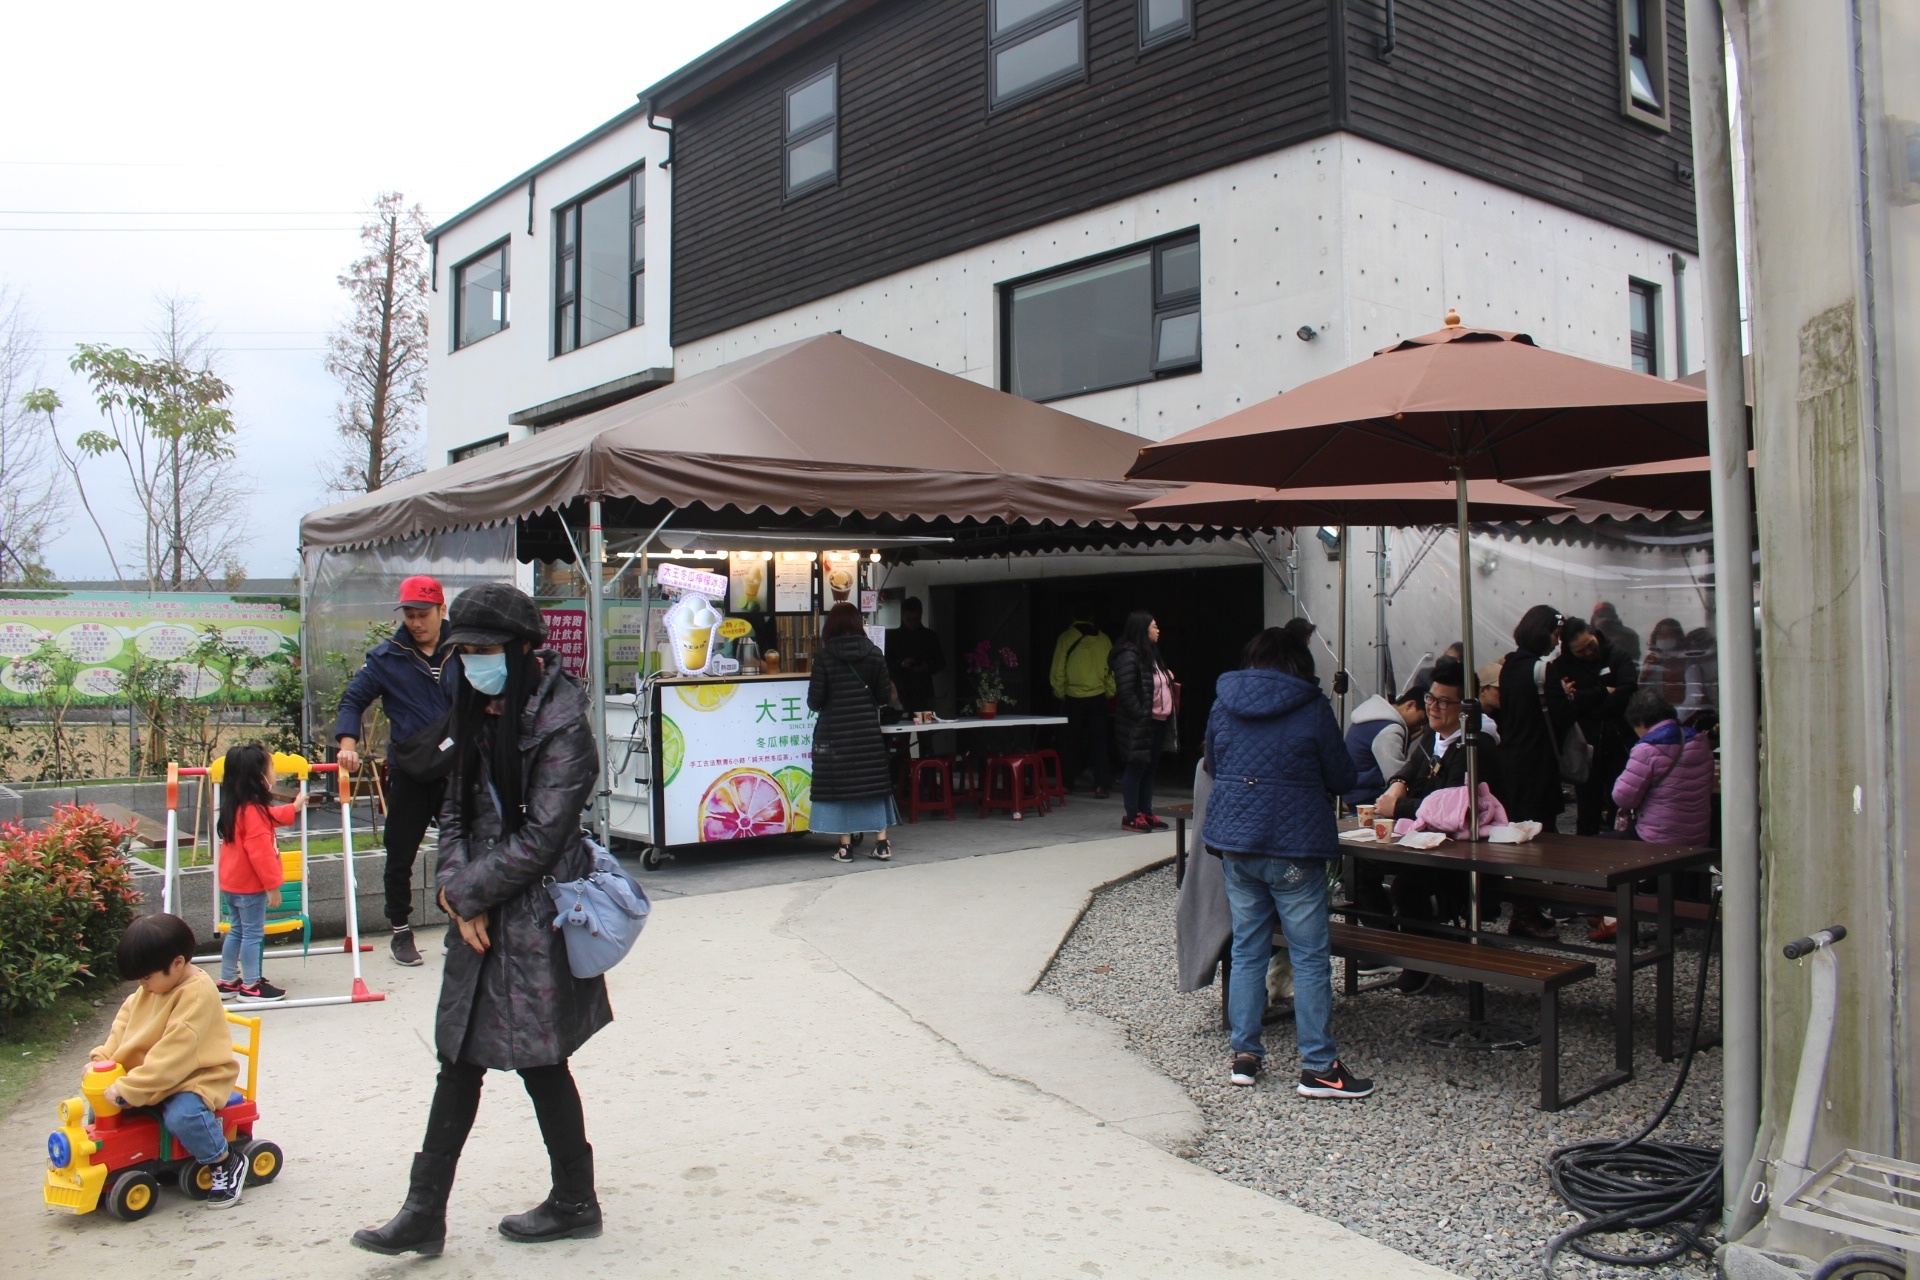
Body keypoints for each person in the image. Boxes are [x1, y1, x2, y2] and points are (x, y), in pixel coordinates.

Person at [353, 585, 609, 1256]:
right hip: (480, 913)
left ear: (526, 650)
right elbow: (455, 810)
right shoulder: (475, 706)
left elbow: (546, 835)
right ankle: (423, 1212)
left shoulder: (562, 724)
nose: (473, 664)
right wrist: (455, 887)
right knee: (458, 1058)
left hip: (533, 912)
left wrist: (472, 897)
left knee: (540, 1060)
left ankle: (575, 1200)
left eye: (486, 652)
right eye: (464, 653)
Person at [1202, 624, 1372, 1099]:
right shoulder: (1312, 706)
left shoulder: (1224, 701)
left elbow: (1214, 766)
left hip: (1237, 845)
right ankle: (1319, 1067)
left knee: (1247, 950)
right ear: (1300, 664)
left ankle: (1245, 1055)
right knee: (1310, 956)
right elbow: (1341, 776)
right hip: (1294, 847)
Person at [334, 575, 458, 968]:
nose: (416, 622)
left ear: (442, 610)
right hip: (410, 769)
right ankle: (401, 930)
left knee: (463, 849)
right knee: (399, 853)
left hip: (458, 768)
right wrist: (348, 746)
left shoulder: (467, 648)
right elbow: (353, 701)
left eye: (423, 614)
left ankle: (460, 919)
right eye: (409, 614)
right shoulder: (387, 657)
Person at [92, 913, 250, 1208]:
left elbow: (174, 1055)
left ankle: (224, 1161)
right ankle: (120, 1165)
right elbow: (124, 1028)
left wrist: (129, 1086)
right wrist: (104, 1059)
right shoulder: (151, 988)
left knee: (183, 1116)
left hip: (195, 1076)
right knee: (101, 1108)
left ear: (177, 963)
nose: (142, 984)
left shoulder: (196, 995)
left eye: (146, 977)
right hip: (157, 1076)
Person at [1373, 656, 1503, 937]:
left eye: (1443, 702)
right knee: (1361, 866)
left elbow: (1450, 811)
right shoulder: (1434, 735)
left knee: (1406, 886)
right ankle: (1382, 943)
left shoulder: (1475, 747)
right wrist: (1397, 782)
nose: (1432, 707)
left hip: (1462, 853)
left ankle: (1422, 956)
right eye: (1430, 698)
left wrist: (1397, 806)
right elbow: (1412, 766)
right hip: (1424, 841)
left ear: (1467, 708)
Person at [215, 742, 307, 1003]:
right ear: (259, 777)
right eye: (271, 767)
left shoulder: (237, 807)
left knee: (237, 931)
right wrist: (273, 885)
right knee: (253, 934)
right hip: (250, 888)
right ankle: (251, 985)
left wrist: (293, 808)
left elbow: (268, 815)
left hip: (232, 885)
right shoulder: (253, 812)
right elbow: (261, 853)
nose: (274, 772)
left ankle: (228, 980)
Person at [809, 602, 899, 863]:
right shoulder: (874, 653)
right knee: (872, 785)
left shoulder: (824, 658)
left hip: (833, 735)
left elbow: (814, 702)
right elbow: (883, 697)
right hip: (866, 732)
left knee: (840, 789)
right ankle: (882, 845)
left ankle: (845, 848)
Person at [1550, 617, 1638, 836]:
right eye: (1581, 652)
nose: (1589, 653)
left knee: (1619, 800)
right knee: (1587, 804)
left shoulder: (1617, 656)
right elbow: (1568, 701)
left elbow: (1627, 691)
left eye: (1590, 646)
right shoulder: (1562, 666)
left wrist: (1589, 705)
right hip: (1585, 744)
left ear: (1593, 633)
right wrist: (1603, 692)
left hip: (1619, 740)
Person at [1111, 609, 1175, 833]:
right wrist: (1141, 714)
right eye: (1154, 626)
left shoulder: (1152, 653)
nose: (1158, 630)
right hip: (1139, 722)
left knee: (1150, 767)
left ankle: (1146, 810)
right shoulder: (1129, 655)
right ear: (1143, 629)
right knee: (1136, 766)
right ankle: (1132, 814)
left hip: (1157, 720)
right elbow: (1126, 691)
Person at [1049, 606, 1115, 797]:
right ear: (1092, 616)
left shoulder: (1066, 638)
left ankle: (1067, 783)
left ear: (1072, 616)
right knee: (1100, 743)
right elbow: (1110, 670)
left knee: (1069, 742)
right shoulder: (1104, 639)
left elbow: (1058, 669)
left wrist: (1060, 692)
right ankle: (1101, 784)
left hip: (1073, 697)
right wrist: (1110, 692)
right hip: (1098, 697)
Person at [1341, 684, 1426, 809]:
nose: (1420, 726)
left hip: (1350, 791)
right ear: (1410, 705)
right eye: (1422, 720)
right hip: (1363, 799)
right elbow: (1396, 777)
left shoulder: (1372, 715)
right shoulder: (1390, 729)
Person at [884, 596, 944, 715]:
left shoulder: (930, 636)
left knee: (926, 729)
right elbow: (885, 663)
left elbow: (941, 661)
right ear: (902, 616)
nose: (912, 624)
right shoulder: (892, 637)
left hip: (924, 692)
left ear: (921, 615)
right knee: (901, 729)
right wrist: (901, 664)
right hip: (900, 692)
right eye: (908, 620)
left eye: (916, 619)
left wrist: (927, 666)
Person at [1641, 618, 1690, 707]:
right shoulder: (1650, 660)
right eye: (1661, 635)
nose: (1664, 639)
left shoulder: (1686, 662)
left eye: (1669, 635)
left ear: (1678, 637)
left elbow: (1692, 695)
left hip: (1676, 712)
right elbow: (1642, 687)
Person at [1592, 601, 1642, 670]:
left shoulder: (1628, 635)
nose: (1605, 619)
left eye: (1608, 615)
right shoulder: (1589, 636)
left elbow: (1629, 662)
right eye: (1601, 615)